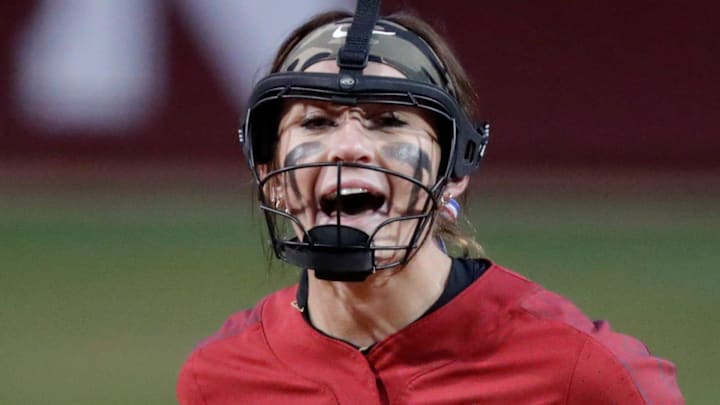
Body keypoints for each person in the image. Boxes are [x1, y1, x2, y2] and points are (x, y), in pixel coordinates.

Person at [177, 1, 684, 403]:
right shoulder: (220, 380)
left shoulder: (585, 373)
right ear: (270, 175)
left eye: (389, 121)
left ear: (453, 173)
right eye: (316, 122)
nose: (348, 146)